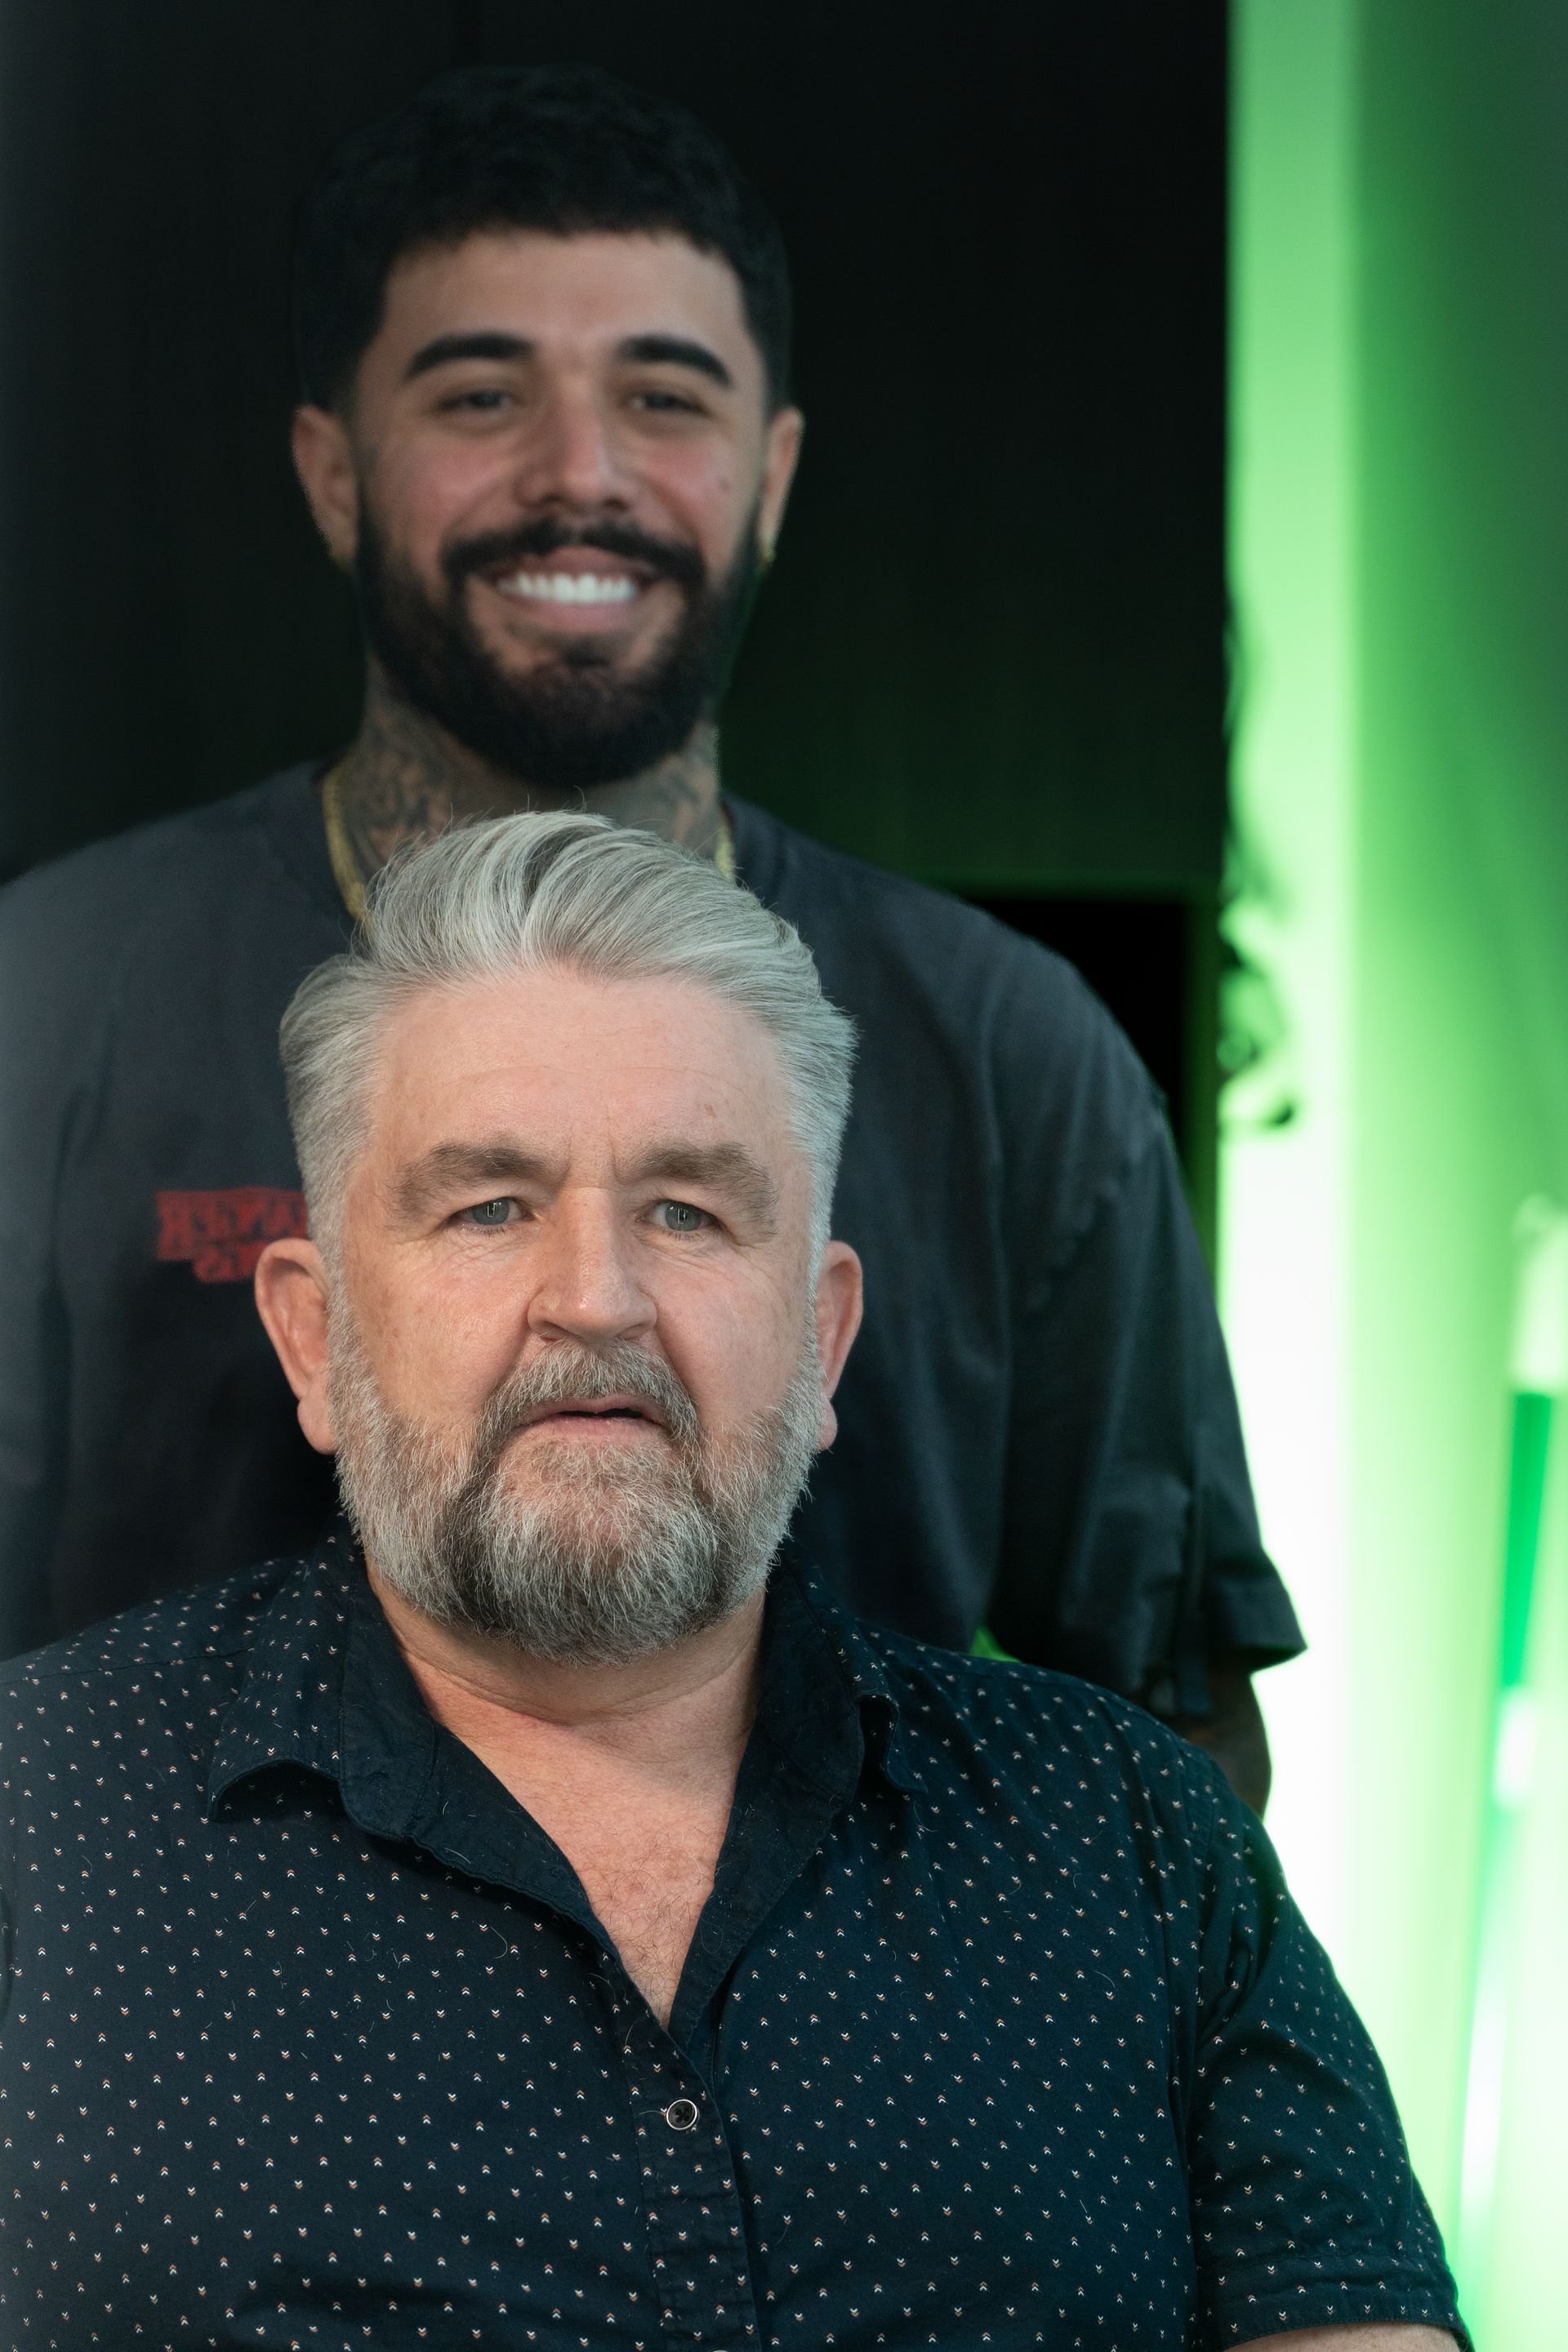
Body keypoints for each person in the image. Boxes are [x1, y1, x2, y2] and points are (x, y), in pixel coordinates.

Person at [0, 63, 1301, 1805]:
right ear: (332, 472)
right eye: (480, 395)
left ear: (769, 477)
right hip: (179, 2054)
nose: (581, 477)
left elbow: (1176, 1750)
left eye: (664, 397)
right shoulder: (48, 1007)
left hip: (823, 2074)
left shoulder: (1012, 1061)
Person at [0, 816, 1463, 2348]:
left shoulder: (1147, 1856)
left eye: (688, 1212)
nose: (597, 1299)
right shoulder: (41, 1830)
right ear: (313, 1334)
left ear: (822, 1340)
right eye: (489, 1207)